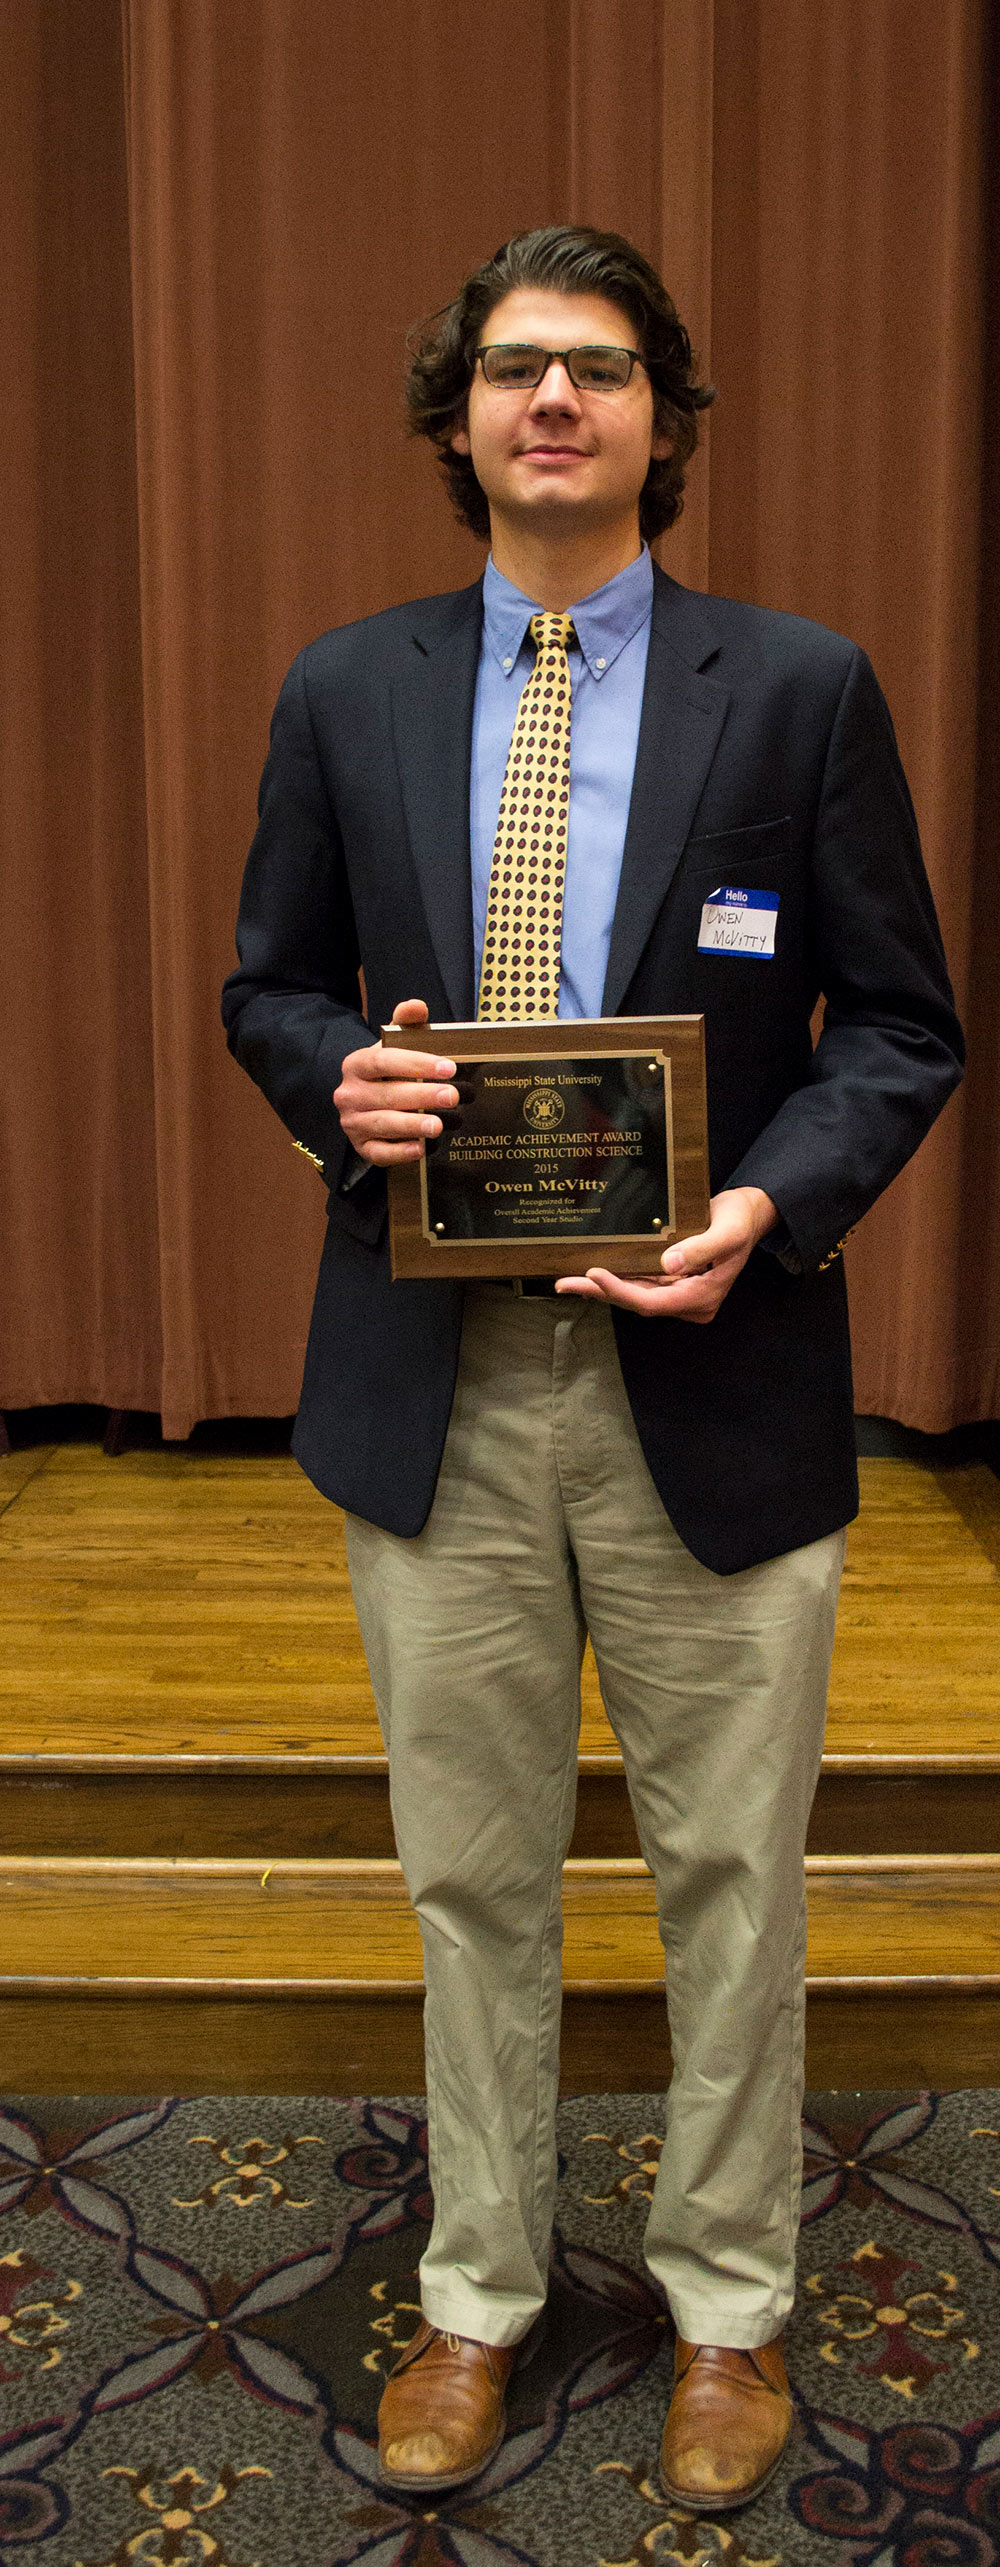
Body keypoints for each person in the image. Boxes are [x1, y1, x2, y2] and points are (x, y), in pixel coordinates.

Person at [222, 226, 963, 2512]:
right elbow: (270, 988)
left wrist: (766, 1207)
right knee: (469, 1876)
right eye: (516, 370)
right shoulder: (343, 688)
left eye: (602, 370)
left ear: (663, 421)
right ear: (457, 422)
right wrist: (340, 1078)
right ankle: (478, 2289)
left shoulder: (802, 683)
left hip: (712, 1369)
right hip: (429, 1386)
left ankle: (728, 2306)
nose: (557, 402)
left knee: (734, 1866)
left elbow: (899, 1031)